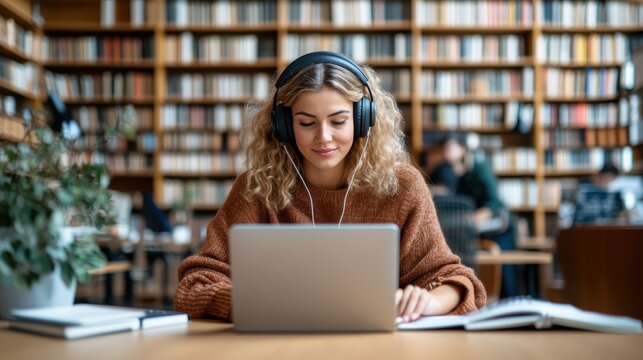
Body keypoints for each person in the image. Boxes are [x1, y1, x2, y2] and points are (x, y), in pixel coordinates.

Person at [174, 51, 486, 323]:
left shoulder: (402, 187)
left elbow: (457, 282)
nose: (323, 137)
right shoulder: (257, 188)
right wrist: (252, 303)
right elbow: (194, 286)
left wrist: (428, 302)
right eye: (306, 123)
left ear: (362, 120)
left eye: (338, 121)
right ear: (283, 126)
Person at [435, 135, 518, 298]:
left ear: (462, 149)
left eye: (450, 149)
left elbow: (494, 201)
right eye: (444, 149)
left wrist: (472, 219)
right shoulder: (448, 173)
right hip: (473, 229)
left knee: (505, 273)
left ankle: (510, 302)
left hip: (498, 226)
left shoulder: (480, 169)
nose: (446, 153)